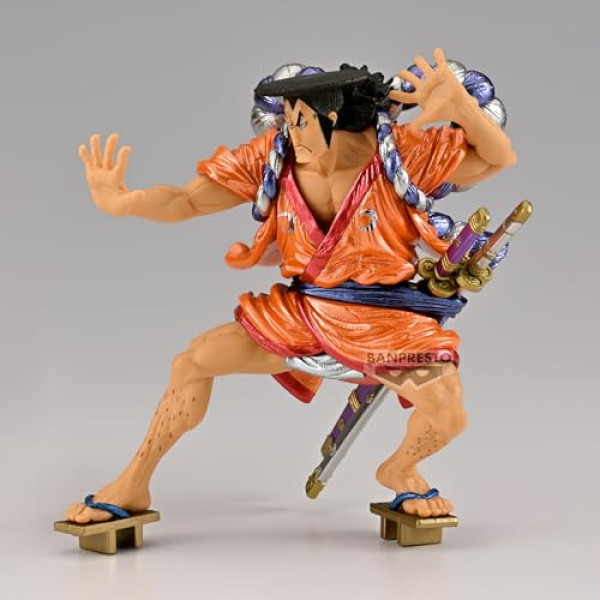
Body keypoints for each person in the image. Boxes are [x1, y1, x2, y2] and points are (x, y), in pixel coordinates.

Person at [65, 48, 516, 524]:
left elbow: (496, 158)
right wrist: (125, 201)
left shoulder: (398, 153)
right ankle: (133, 483)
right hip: (302, 314)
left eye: (300, 121)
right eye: (286, 119)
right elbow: (187, 201)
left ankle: (401, 470)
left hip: (388, 325)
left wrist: (462, 108)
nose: (289, 131)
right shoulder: (274, 155)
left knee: (448, 414)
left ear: (332, 117)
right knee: (193, 362)